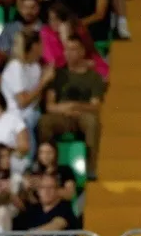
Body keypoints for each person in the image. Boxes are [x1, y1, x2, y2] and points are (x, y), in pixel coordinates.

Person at [39, 35, 104, 179]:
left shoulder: (94, 77)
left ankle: (91, 170)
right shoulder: (58, 75)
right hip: (62, 115)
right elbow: (50, 105)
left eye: (73, 49)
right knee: (44, 121)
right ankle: (47, 166)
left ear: (82, 52)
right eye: (66, 49)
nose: (68, 53)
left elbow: (95, 106)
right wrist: (65, 109)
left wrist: (75, 106)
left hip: (82, 116)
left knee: (93, 122)